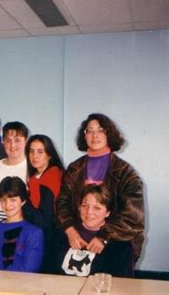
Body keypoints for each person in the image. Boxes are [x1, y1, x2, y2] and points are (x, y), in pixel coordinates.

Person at [56, 113, 144, 265]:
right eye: (89, 130)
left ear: (109, 133)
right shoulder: (74, 169)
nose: (94, 135)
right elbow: (62, 203)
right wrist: (70, 230)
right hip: (78, 239)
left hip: (115, 242)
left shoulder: (125, 172)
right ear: (84, 136)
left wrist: (103, 236)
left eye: (100, 130)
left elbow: (133, 217)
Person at [56, 184, 134, 277]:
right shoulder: (63, 234)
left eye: (97, 208)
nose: (89, 212)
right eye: (85, 205)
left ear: (108, 213)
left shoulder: (121, 244)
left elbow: (121, 283)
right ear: (79, 208)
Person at [0, 176, 44, 272]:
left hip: (20, 285)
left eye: (13, 200)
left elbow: (30, 268)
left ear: (23, 201)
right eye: (3, 200)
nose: (7, 205)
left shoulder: (33, 233)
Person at [23, 134, 64, 273]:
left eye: (40, 152)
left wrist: (23, 202)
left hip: (50, 243)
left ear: (49, 155)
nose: (35, 156)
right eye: (31, 151)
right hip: (44, 239)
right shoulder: (37, 177)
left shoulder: (51, 178)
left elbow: (44, 221)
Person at [0, 121, 29, 219]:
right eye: (8, 141)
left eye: (17, 140)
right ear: (3, 142)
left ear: (26, 141)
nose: (12, 145)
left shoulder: (31, 169)